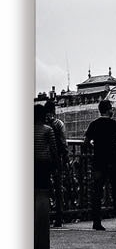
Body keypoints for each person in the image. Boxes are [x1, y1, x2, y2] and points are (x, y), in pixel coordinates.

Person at [82, 98, 116, 229]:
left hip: (98, 161)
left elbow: (85, 143)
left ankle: (96, 222)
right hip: (113, 161)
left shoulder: (93, 124)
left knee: (97, 192)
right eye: (112, 108)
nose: (113, 110)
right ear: (109, 110)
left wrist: (93, 144)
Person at [34, 101, 58, 249]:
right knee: (43, 195)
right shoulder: (48, 130)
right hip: (44, 165)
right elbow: (54, 150)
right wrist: (56, 166)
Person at [44, 97, 69, 226]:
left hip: (42, 159)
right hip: (56, 158)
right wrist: (65, 156)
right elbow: (63, 142)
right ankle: (59, 217)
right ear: (54, 110)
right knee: (58, 188)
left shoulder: (41, 124)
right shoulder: (58, 123)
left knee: (43, 188)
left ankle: (44, 216)